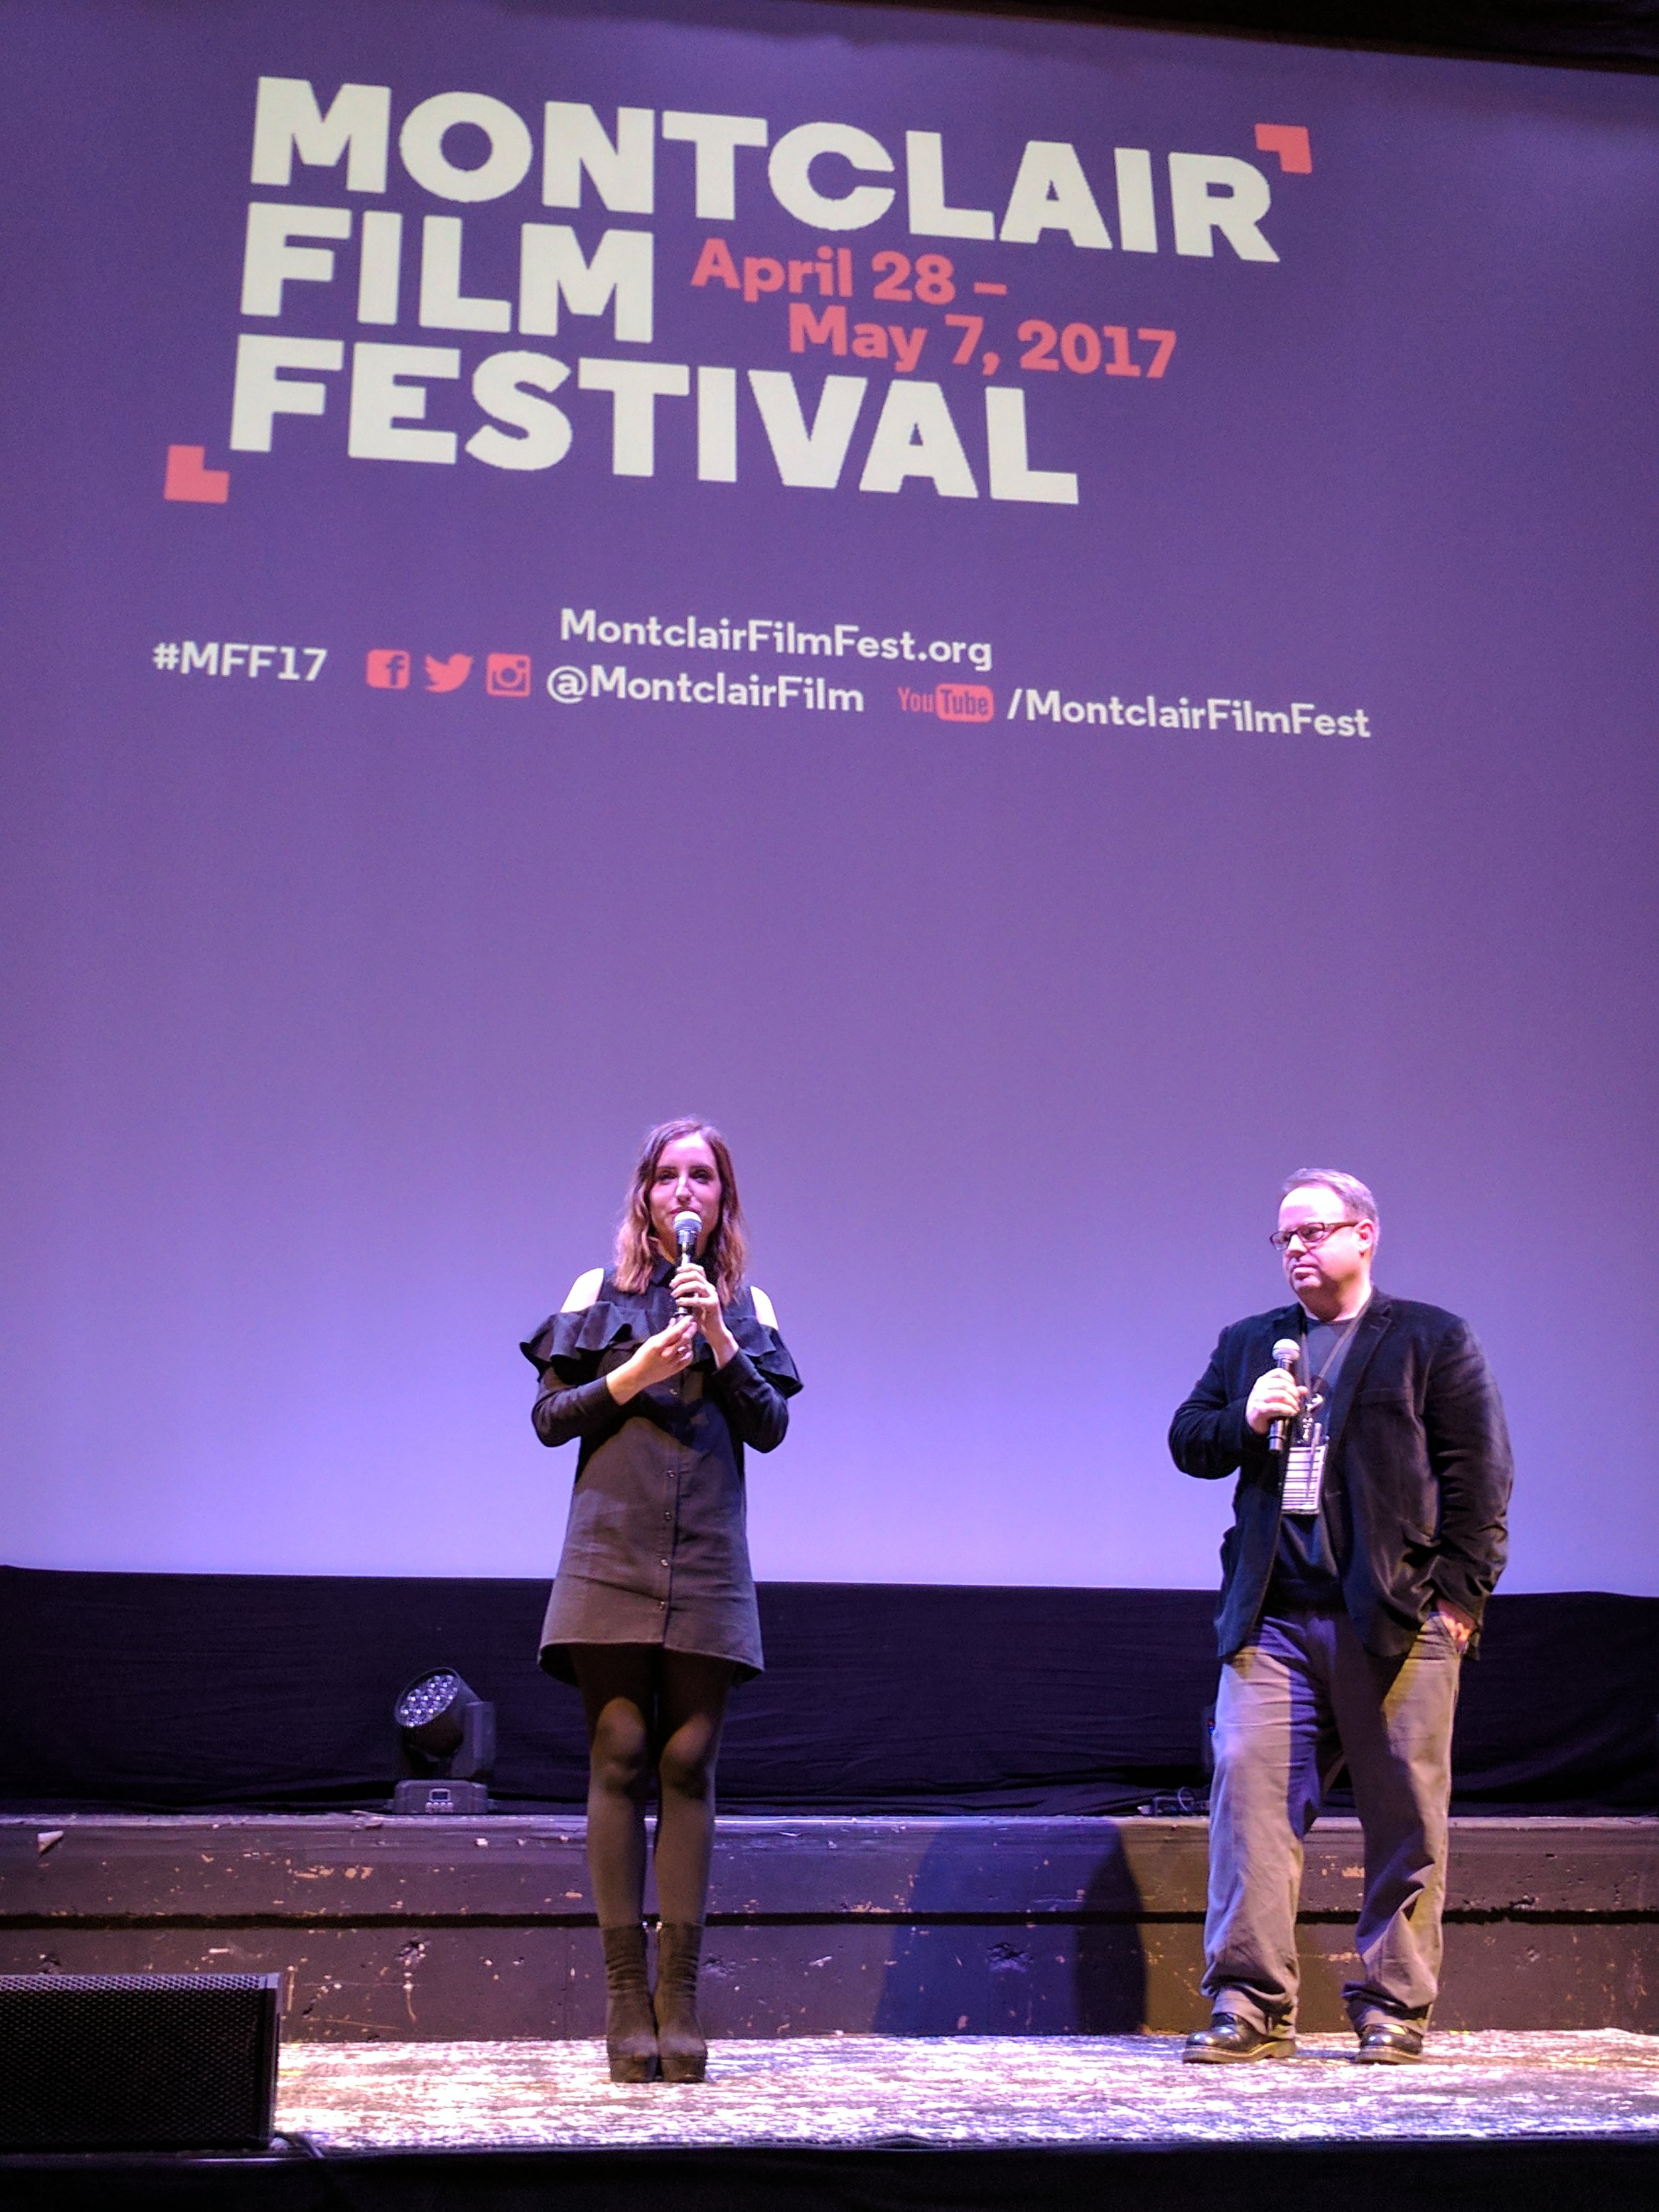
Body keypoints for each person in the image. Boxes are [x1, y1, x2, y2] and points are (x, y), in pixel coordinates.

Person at [1168, 1170, 1511, 2065]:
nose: (1295, 1251)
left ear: (1365, 1235)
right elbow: (1187, 1438)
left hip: (1395, 1622)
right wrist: (1244, 1421)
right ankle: (1250, 2004)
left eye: (1312, 1232)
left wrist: (1458, 1603)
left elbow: (1480, 1478)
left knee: (1404, 1814)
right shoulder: (1253, 1343)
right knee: (1248, 1798)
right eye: (1282, 1238)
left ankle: (1395, 2003)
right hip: (1274, 1618)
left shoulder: (1432, 1338)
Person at [520, 1118, 801, 2083]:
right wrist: (632, 1374)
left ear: (724, 1199)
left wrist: (719, 1334)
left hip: (708, 1551)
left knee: (689, 1757)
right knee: (622, 1749)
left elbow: (771, 1425)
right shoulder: (594, 1296)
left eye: (705, 1178)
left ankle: (679, 1997)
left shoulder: (747, 1302)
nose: (686, 1192)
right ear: (644, 1196)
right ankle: (623, 1997)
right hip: (612, 1545)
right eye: (669, 1177)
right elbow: (550, 1419)